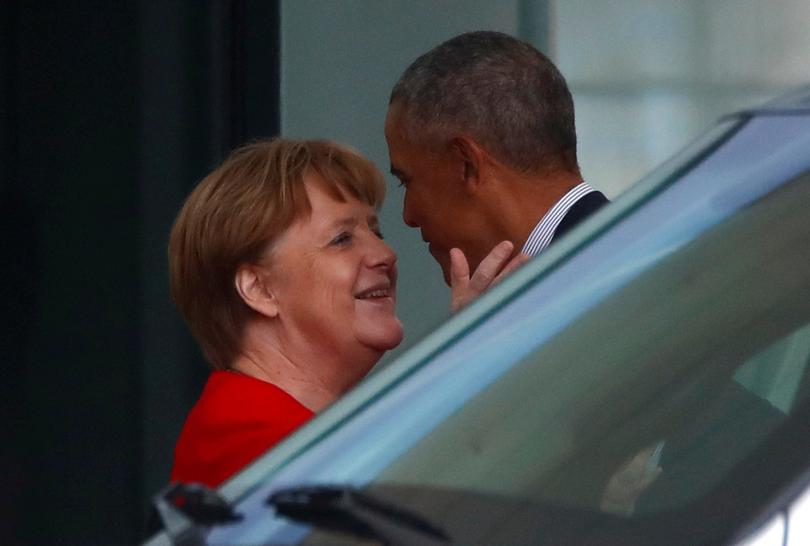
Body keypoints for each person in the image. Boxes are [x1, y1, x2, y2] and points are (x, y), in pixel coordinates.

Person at [168, 139, 403, 488]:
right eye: (342, 239)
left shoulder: (287, 433)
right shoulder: (260, 446)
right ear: (260, 290)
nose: (384, 253)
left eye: (376, 231)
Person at [385, 31, 609, 312]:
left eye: (406, 181)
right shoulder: (620, 253)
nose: (408, 216)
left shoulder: (597, 287)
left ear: (465, 163)